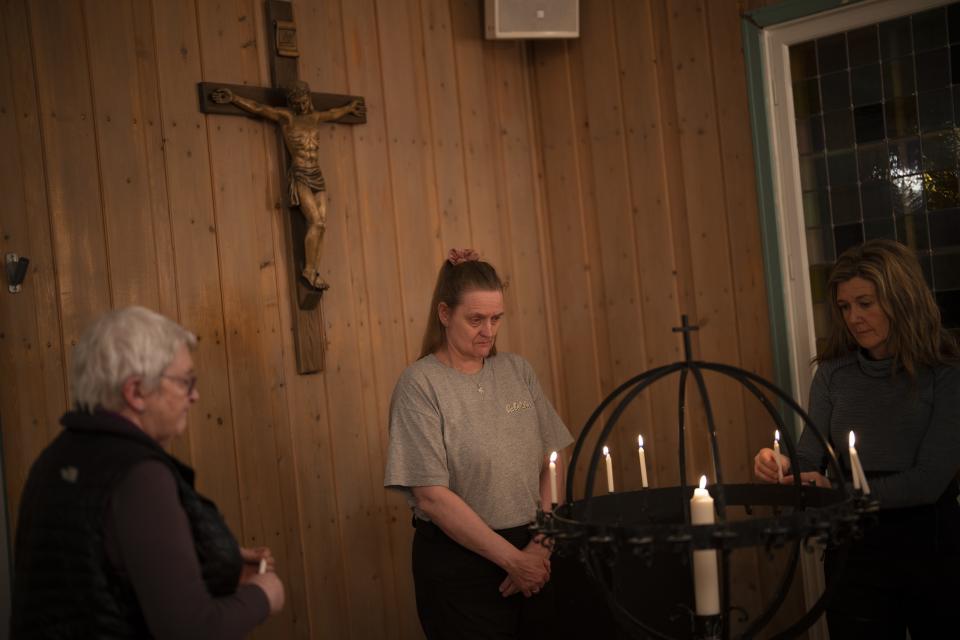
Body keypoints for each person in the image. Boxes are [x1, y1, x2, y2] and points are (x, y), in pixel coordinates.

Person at [11, 306, 285, 638]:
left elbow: (107, 568)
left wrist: (211, 555)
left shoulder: (54, 457)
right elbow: (191, 630)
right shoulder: (137, 475)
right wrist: (263, 596)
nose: (195, 396)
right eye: (186, 381)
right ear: (136, 392)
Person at [753, 239, 960, 638]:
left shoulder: (945, 374)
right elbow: (809, 458)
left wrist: (837, 490)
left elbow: (929, 480)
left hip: (932, 543)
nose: (854, 318)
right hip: (854, 547)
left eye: (866, 303)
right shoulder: (833, 375)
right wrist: (781, 465)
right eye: (845, 307)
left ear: (902, 301)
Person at [384, 249, 574, 639]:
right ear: (444, 313)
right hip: (462, 564)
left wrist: (542, 542)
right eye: (475, 319)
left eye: (496, 318)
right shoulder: (420, 384)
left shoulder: (516, 370)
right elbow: (432, 495)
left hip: (536, 552)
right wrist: (512, 561)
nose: (489, 330)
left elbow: (554, 457)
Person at [210, 81, 365, 291]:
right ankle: (309, 272)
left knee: (323, 225)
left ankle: (314, 271)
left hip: (317, 174)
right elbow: (260, 108)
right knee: (316, 222)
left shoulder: (315, 117)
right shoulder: (287, 117)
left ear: (309, 99)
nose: (302, 106)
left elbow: (335, 113)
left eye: (304, 102)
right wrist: (234, 98)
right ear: (291, 103)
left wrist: (349, 108)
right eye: (297, 103)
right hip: (300, 174)